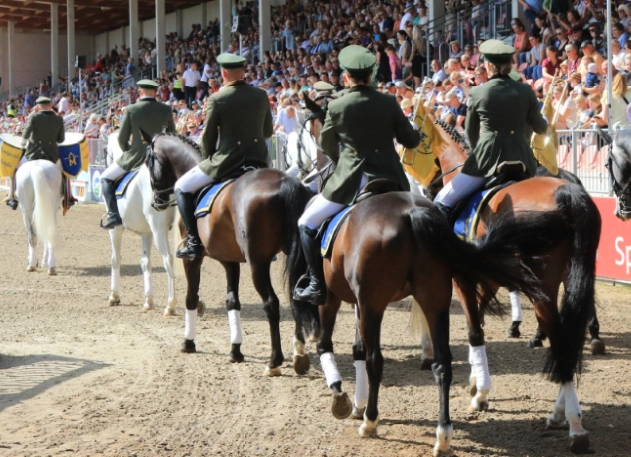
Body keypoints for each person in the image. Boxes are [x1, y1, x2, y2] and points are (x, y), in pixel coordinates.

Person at [293, 45, 420, 304]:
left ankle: (317, 284)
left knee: (305, 223)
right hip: (392, 178)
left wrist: (345, 157)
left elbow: (327, 145)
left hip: (353, 179)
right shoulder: (388, 101)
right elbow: (410, 140)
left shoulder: (338, 105)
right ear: (371, 75)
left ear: (347, 77)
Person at [173, 53, 273, 261]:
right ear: (244, 72)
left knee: (181, 187)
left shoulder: (218, 98)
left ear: (224, 73)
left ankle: (193, 242)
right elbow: (267, 132)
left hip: (227, 161)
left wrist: (208, 158)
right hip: (259, 161)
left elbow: (208, 138)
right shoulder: (261, 95)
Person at [433, 39, 549, 218]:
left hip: (487, 160)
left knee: (441, 201)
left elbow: (471, 131)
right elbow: (541, 128)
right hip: (523, 161)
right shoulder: (526, 91)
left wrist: (475, 154)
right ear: (510, 65)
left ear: (488, 65)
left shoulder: (478, 92)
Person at [98, 79, 175, 229]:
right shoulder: (166, 109)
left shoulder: (131, 109)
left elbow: (122, 138)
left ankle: (114, 215)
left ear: (140, 92)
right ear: (156, 92)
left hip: (136, 157)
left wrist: (128, 150)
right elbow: (173, 135)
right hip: (161, 158)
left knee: (105, 178)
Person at [5, 96, 64, 210]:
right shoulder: (58, 119)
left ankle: (12, 196)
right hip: (52, 154)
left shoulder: (34, 117)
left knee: (13, 168)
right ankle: (66, 196)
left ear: (38, 106)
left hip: (33, 153)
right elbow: (60, 140)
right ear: (50, 105)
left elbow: (25, 135)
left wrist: (22, 142)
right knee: (64, 171)